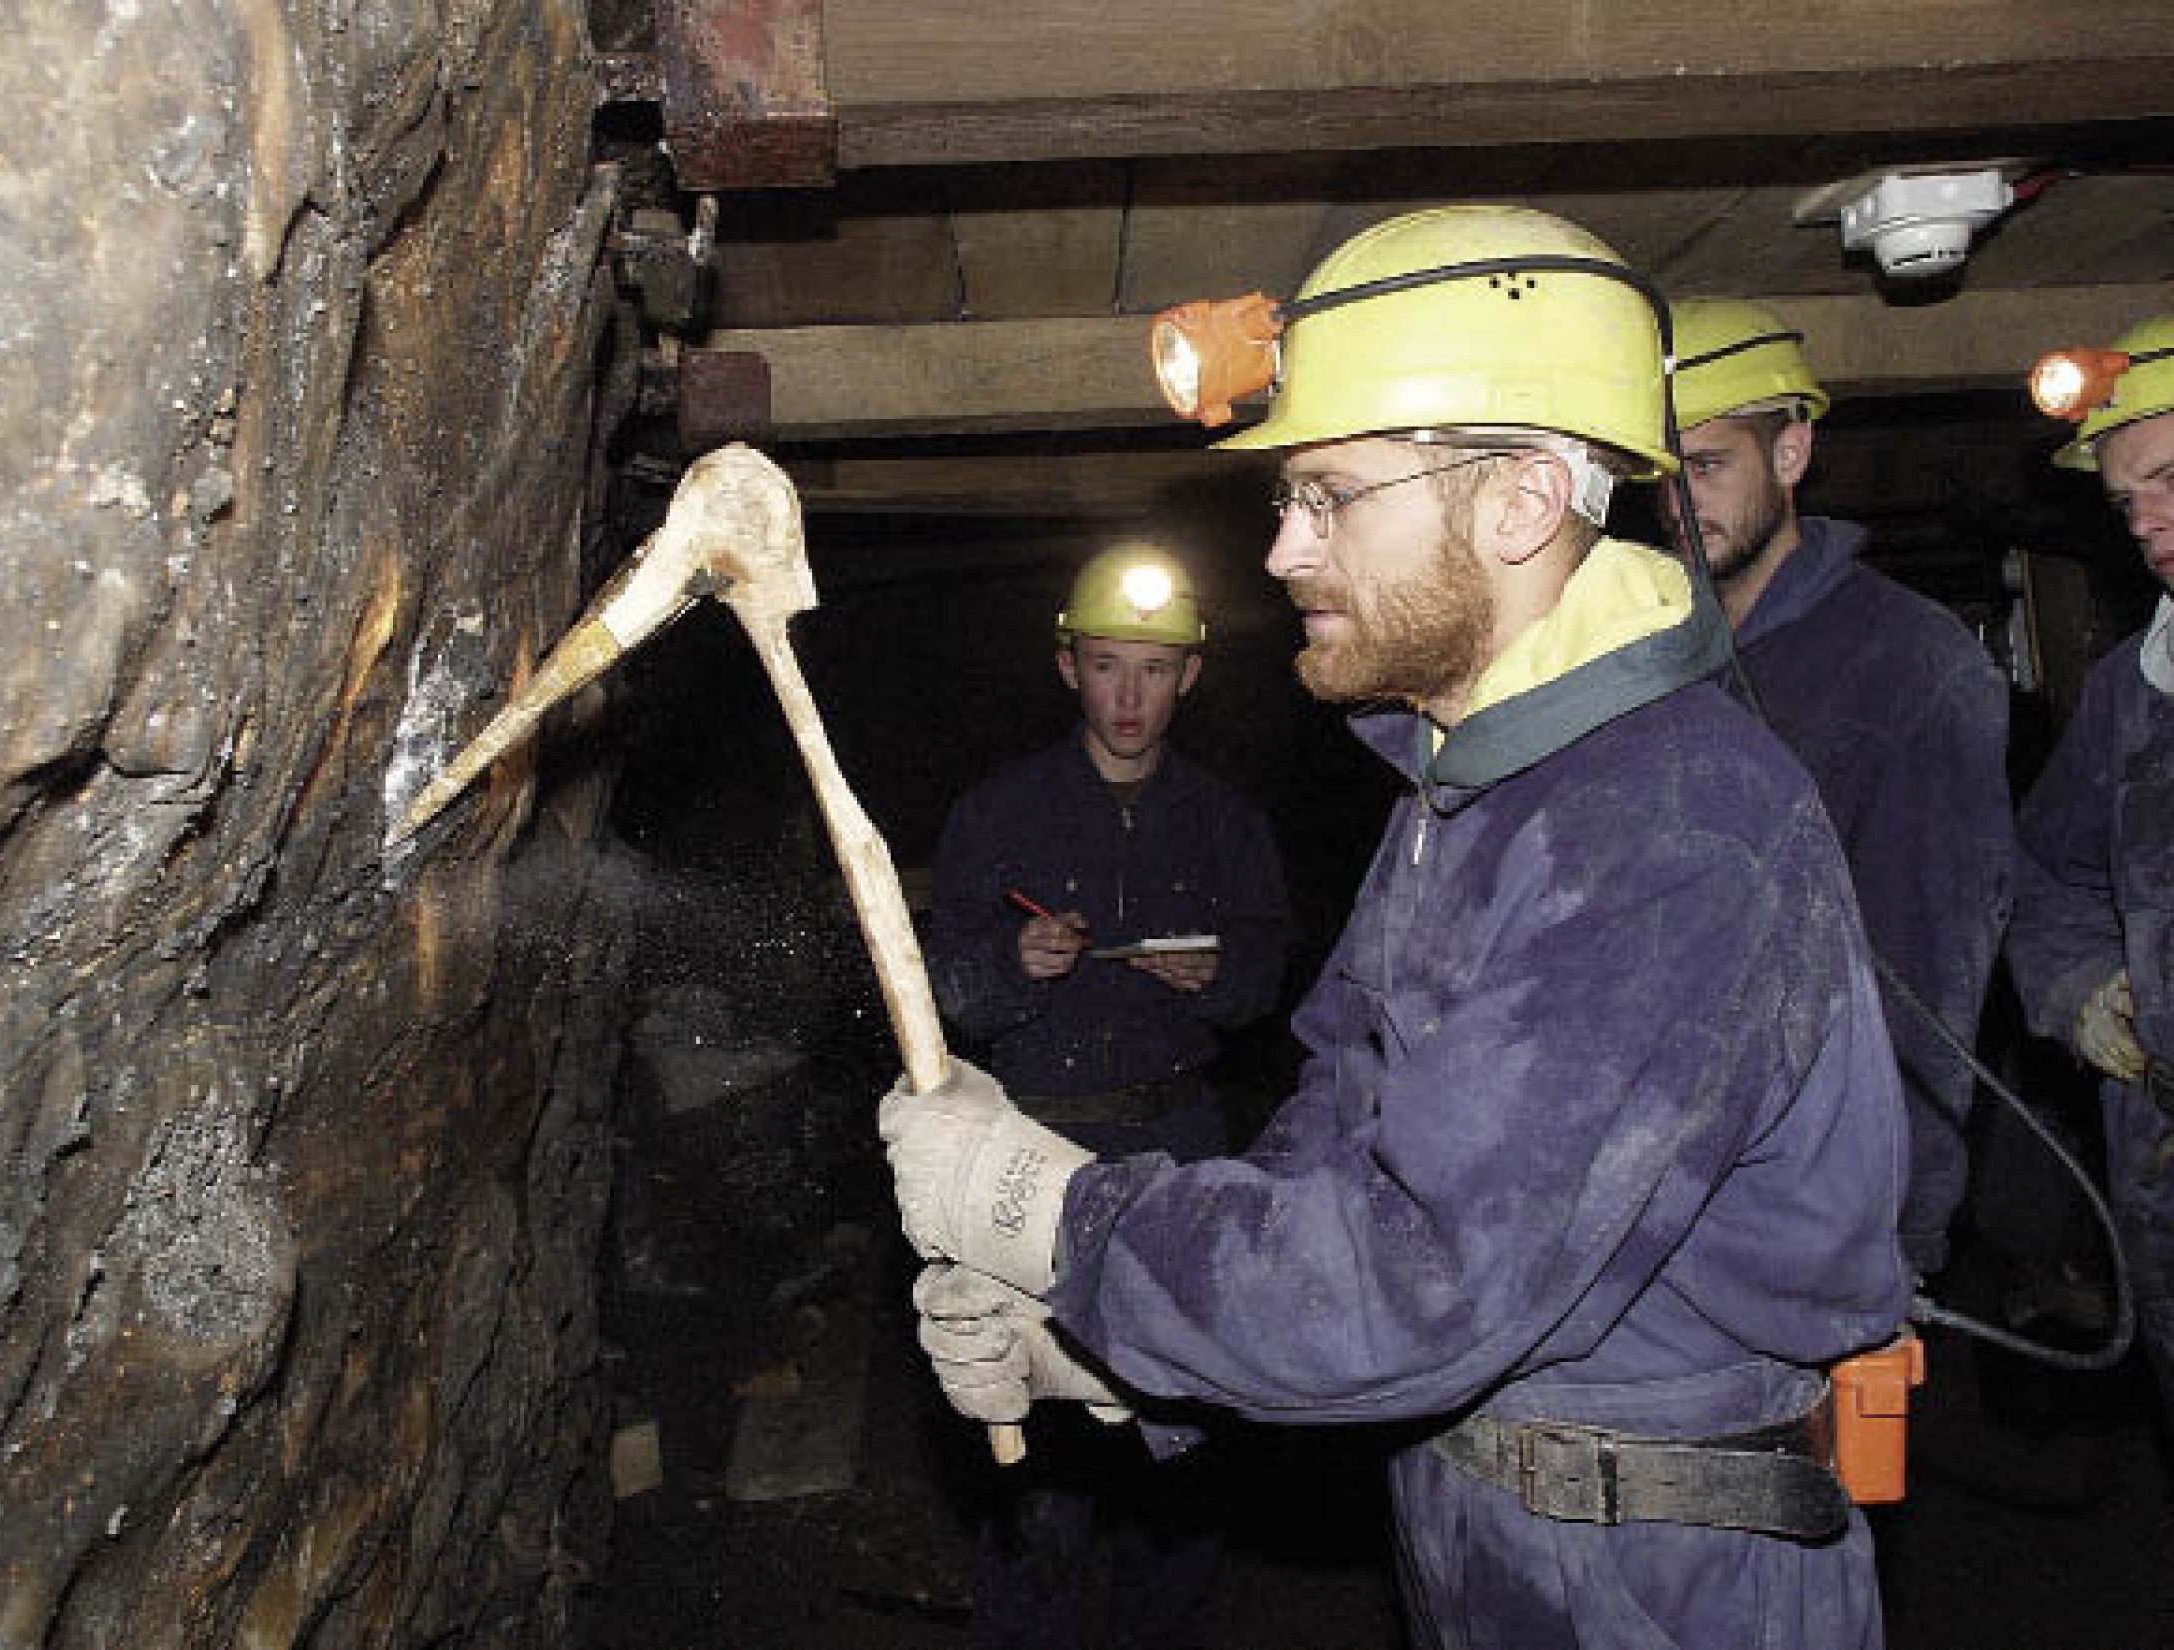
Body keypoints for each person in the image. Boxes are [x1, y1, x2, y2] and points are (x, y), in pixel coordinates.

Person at [884, 206, 1911, 1650]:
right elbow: (1341, 1123)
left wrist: (1054, 1216)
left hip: (1661, 1575)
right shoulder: (1468, 790)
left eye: (1331, 494)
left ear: (1519, 502)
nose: (1282, 549)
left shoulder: (1664, 827)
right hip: (1486, 1521)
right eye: (1286, 497)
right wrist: (1107, 1348)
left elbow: (1426, 1271)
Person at [920, 542, 1294, 1650]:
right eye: (1105, 666)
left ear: (1190, 678)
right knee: (1036, 1451)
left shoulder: (1225, 822)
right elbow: (942, 994)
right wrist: (1012, 964)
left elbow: (1268, 974)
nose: (1129, 697)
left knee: (1182, 1430)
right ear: (1067, 668)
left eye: (1154, 670)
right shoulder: (998, 814)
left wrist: (1220, 972)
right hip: (1032, 1160)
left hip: (1178, 1152)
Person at [1658, 298, 2014, 1280]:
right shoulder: (1646, 661)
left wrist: (1898, 1234)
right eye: (1659, 474)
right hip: (1665, 1173)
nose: (1678, 502)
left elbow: (1933, 971)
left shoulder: (1908, 662)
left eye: (1706, 465)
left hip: (1818, 1193)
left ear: (1790, 454)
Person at [2004, 315, 2174, 1424]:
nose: (2145, 523)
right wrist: (2080, 989)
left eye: (2169, 480)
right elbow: (2045, 876)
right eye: (2125, 503)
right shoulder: (2130, 695)